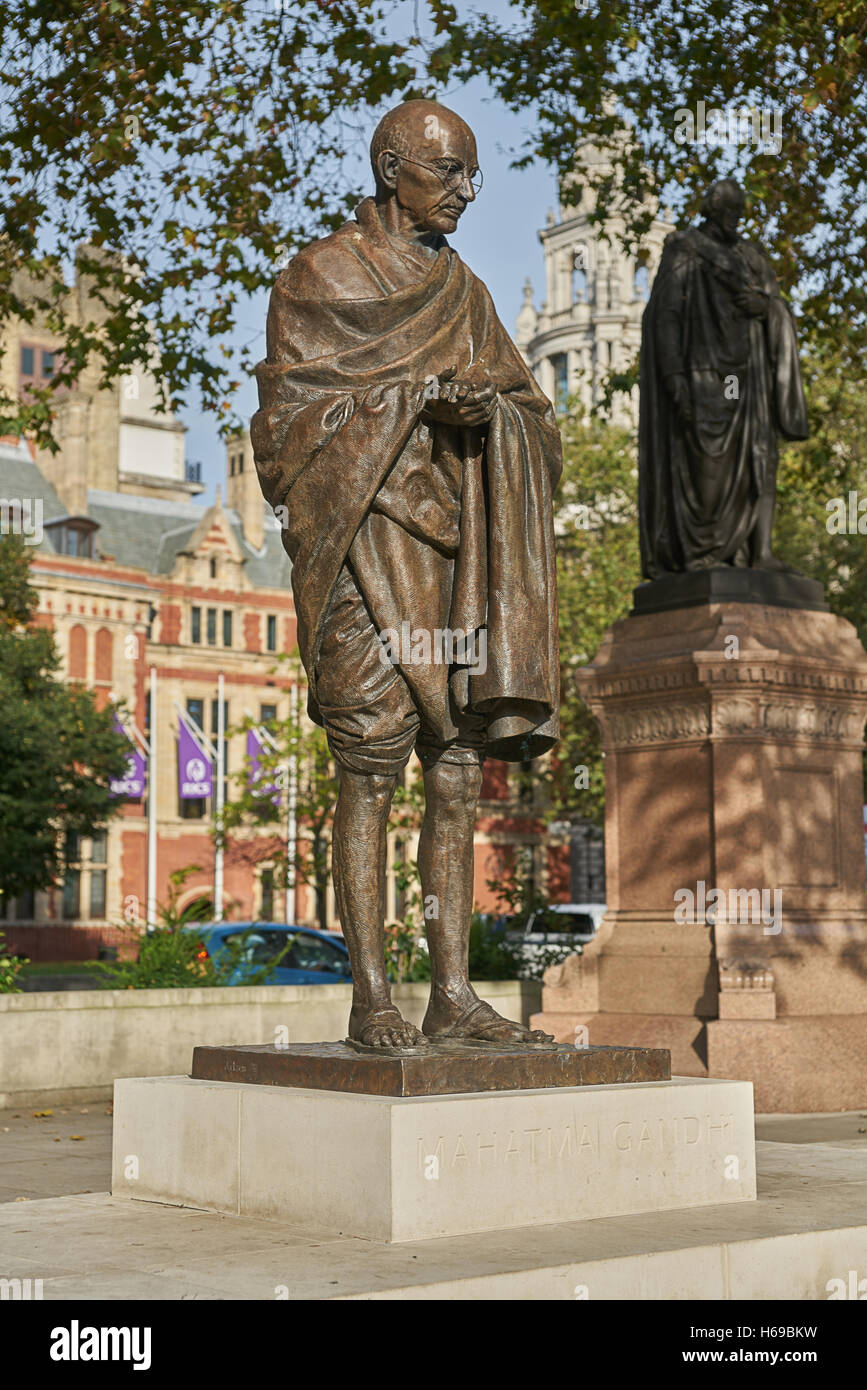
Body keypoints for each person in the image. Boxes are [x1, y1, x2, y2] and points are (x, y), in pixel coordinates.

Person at [252, 99, 560, 1049]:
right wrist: (417, 399)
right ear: (392, 168)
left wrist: (489, 416)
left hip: (450, 557)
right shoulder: (318, 277)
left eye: (473, 175)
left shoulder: (463, 291)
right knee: (369, 770)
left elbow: (531, 413)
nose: (464, 193)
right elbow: (284, 432)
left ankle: (453, 994)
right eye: (446, 173)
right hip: (363, 549)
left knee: (458, 769)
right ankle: (372, 999)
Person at [639, 178, 808, 578]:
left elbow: (776, 305)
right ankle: (704, 555)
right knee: (707, 466)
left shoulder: (751, 255)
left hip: (751, 381)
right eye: (729, 212)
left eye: (739, 213)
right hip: (705, 378)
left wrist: (766, 307)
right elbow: (665, 316)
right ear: (711, 210)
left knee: (761, 459)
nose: (735, 220)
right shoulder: (686, 250)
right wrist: (676, 376)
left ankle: (760, 552)